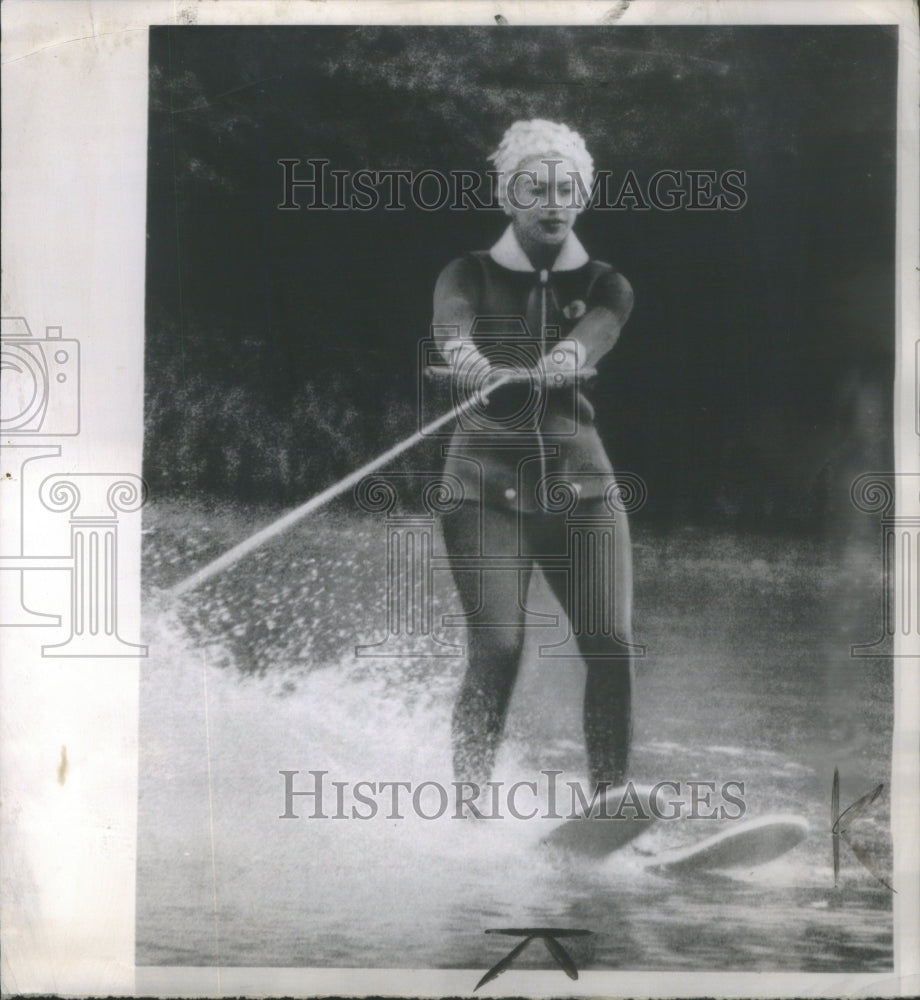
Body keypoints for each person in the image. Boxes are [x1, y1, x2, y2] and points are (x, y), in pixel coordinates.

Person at [431, 120, 636, 793]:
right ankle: (466, 810)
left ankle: (610, 805)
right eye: (536, 188)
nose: (553, 201)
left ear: (583, 197)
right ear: (508, 196)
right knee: (499, 649)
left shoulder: (610, 282)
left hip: (582, 489)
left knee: (611, 644)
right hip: (483, 487)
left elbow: (597, 331)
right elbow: (452, 323)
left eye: (566, 189)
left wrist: (566, 359)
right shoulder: (465, 271)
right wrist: (464, 359)